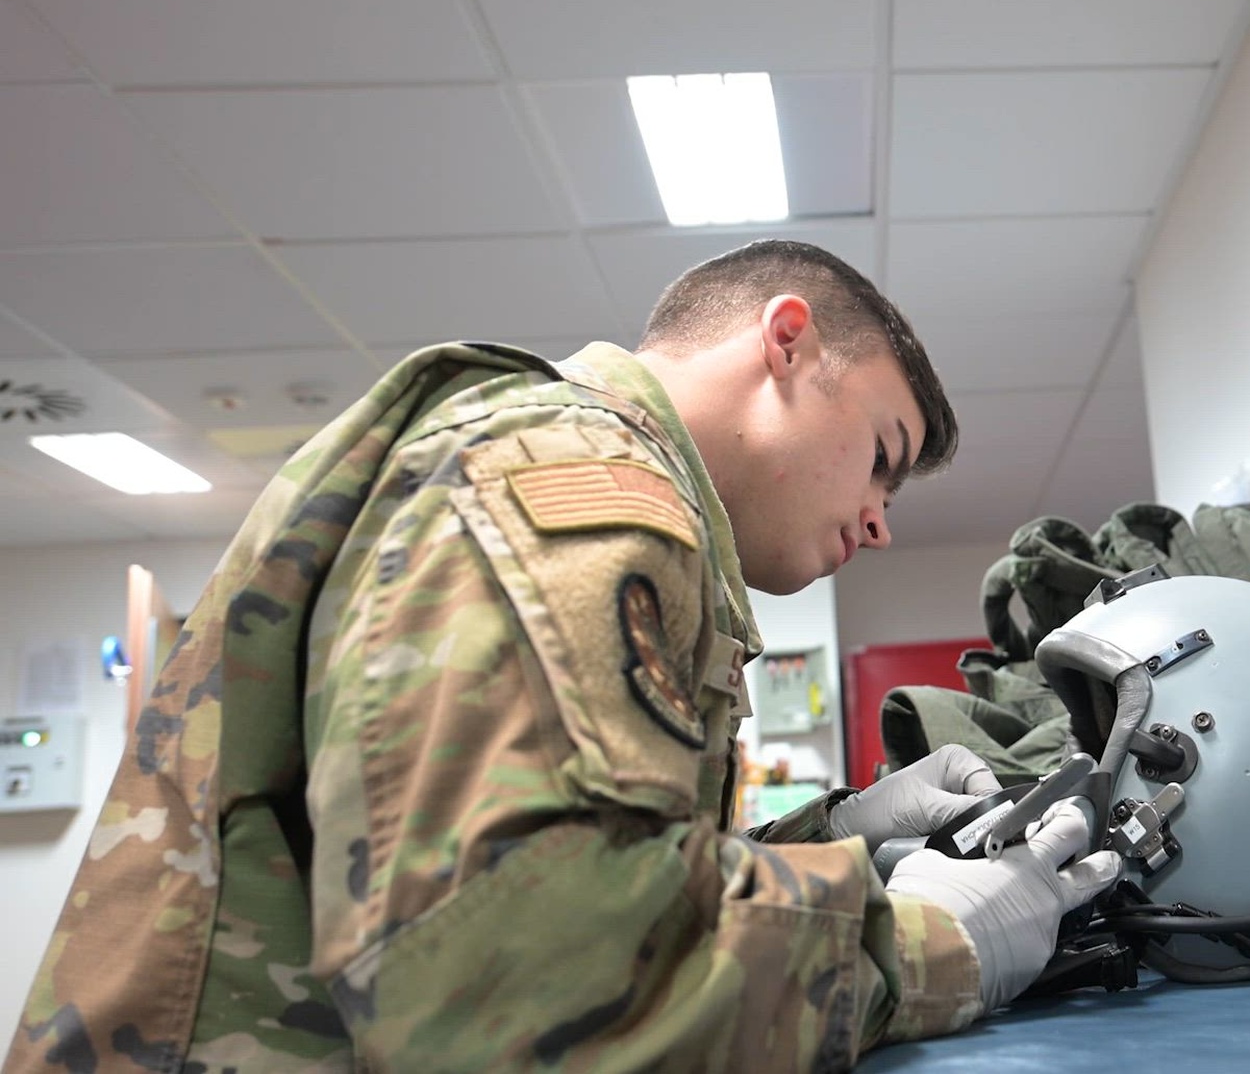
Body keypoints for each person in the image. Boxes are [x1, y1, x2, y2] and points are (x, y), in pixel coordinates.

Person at [6, 240, 1121, 1073]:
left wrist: (834, 833)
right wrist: (931, 945)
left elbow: (578, 872)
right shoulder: (577, 485)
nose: (879, 522)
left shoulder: (573, 480)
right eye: (882, 457)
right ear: (786, 343)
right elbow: (523, 984)